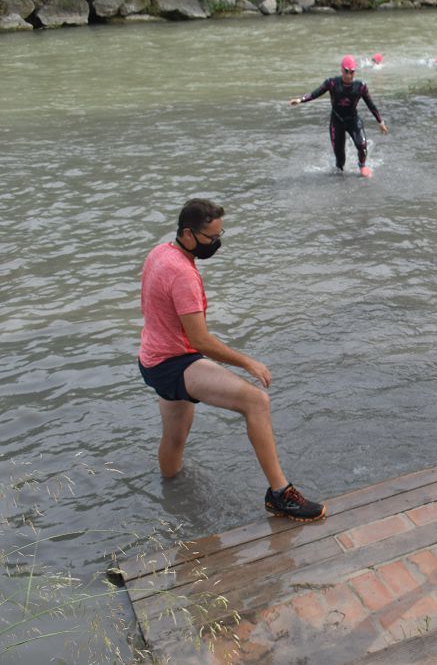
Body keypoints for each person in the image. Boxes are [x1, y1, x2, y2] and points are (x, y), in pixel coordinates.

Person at [138, 198, 326, 522]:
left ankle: (170, 500)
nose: (216, 243)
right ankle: (280, 494)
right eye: (211, 238)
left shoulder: (160, 253)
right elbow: (199, 340)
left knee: (174, 437)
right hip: (175, 363)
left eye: (219, 234)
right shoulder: (183, 274)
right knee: (256, 402)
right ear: (187, 233)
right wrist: (247, 363)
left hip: (151, 359)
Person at [288, 54, 389, 178]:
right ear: (342, 70)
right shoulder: (332, 83)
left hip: (352, 120)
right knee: (340, 161)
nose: (349, 75)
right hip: (337, 122)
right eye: (347, 71)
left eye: (352, 72)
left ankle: (362, 166)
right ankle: (340, 182)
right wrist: (300, 100)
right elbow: (315, 93)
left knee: (362, 146)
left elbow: (371, 105)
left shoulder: (360, 87)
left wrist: (380, 122)